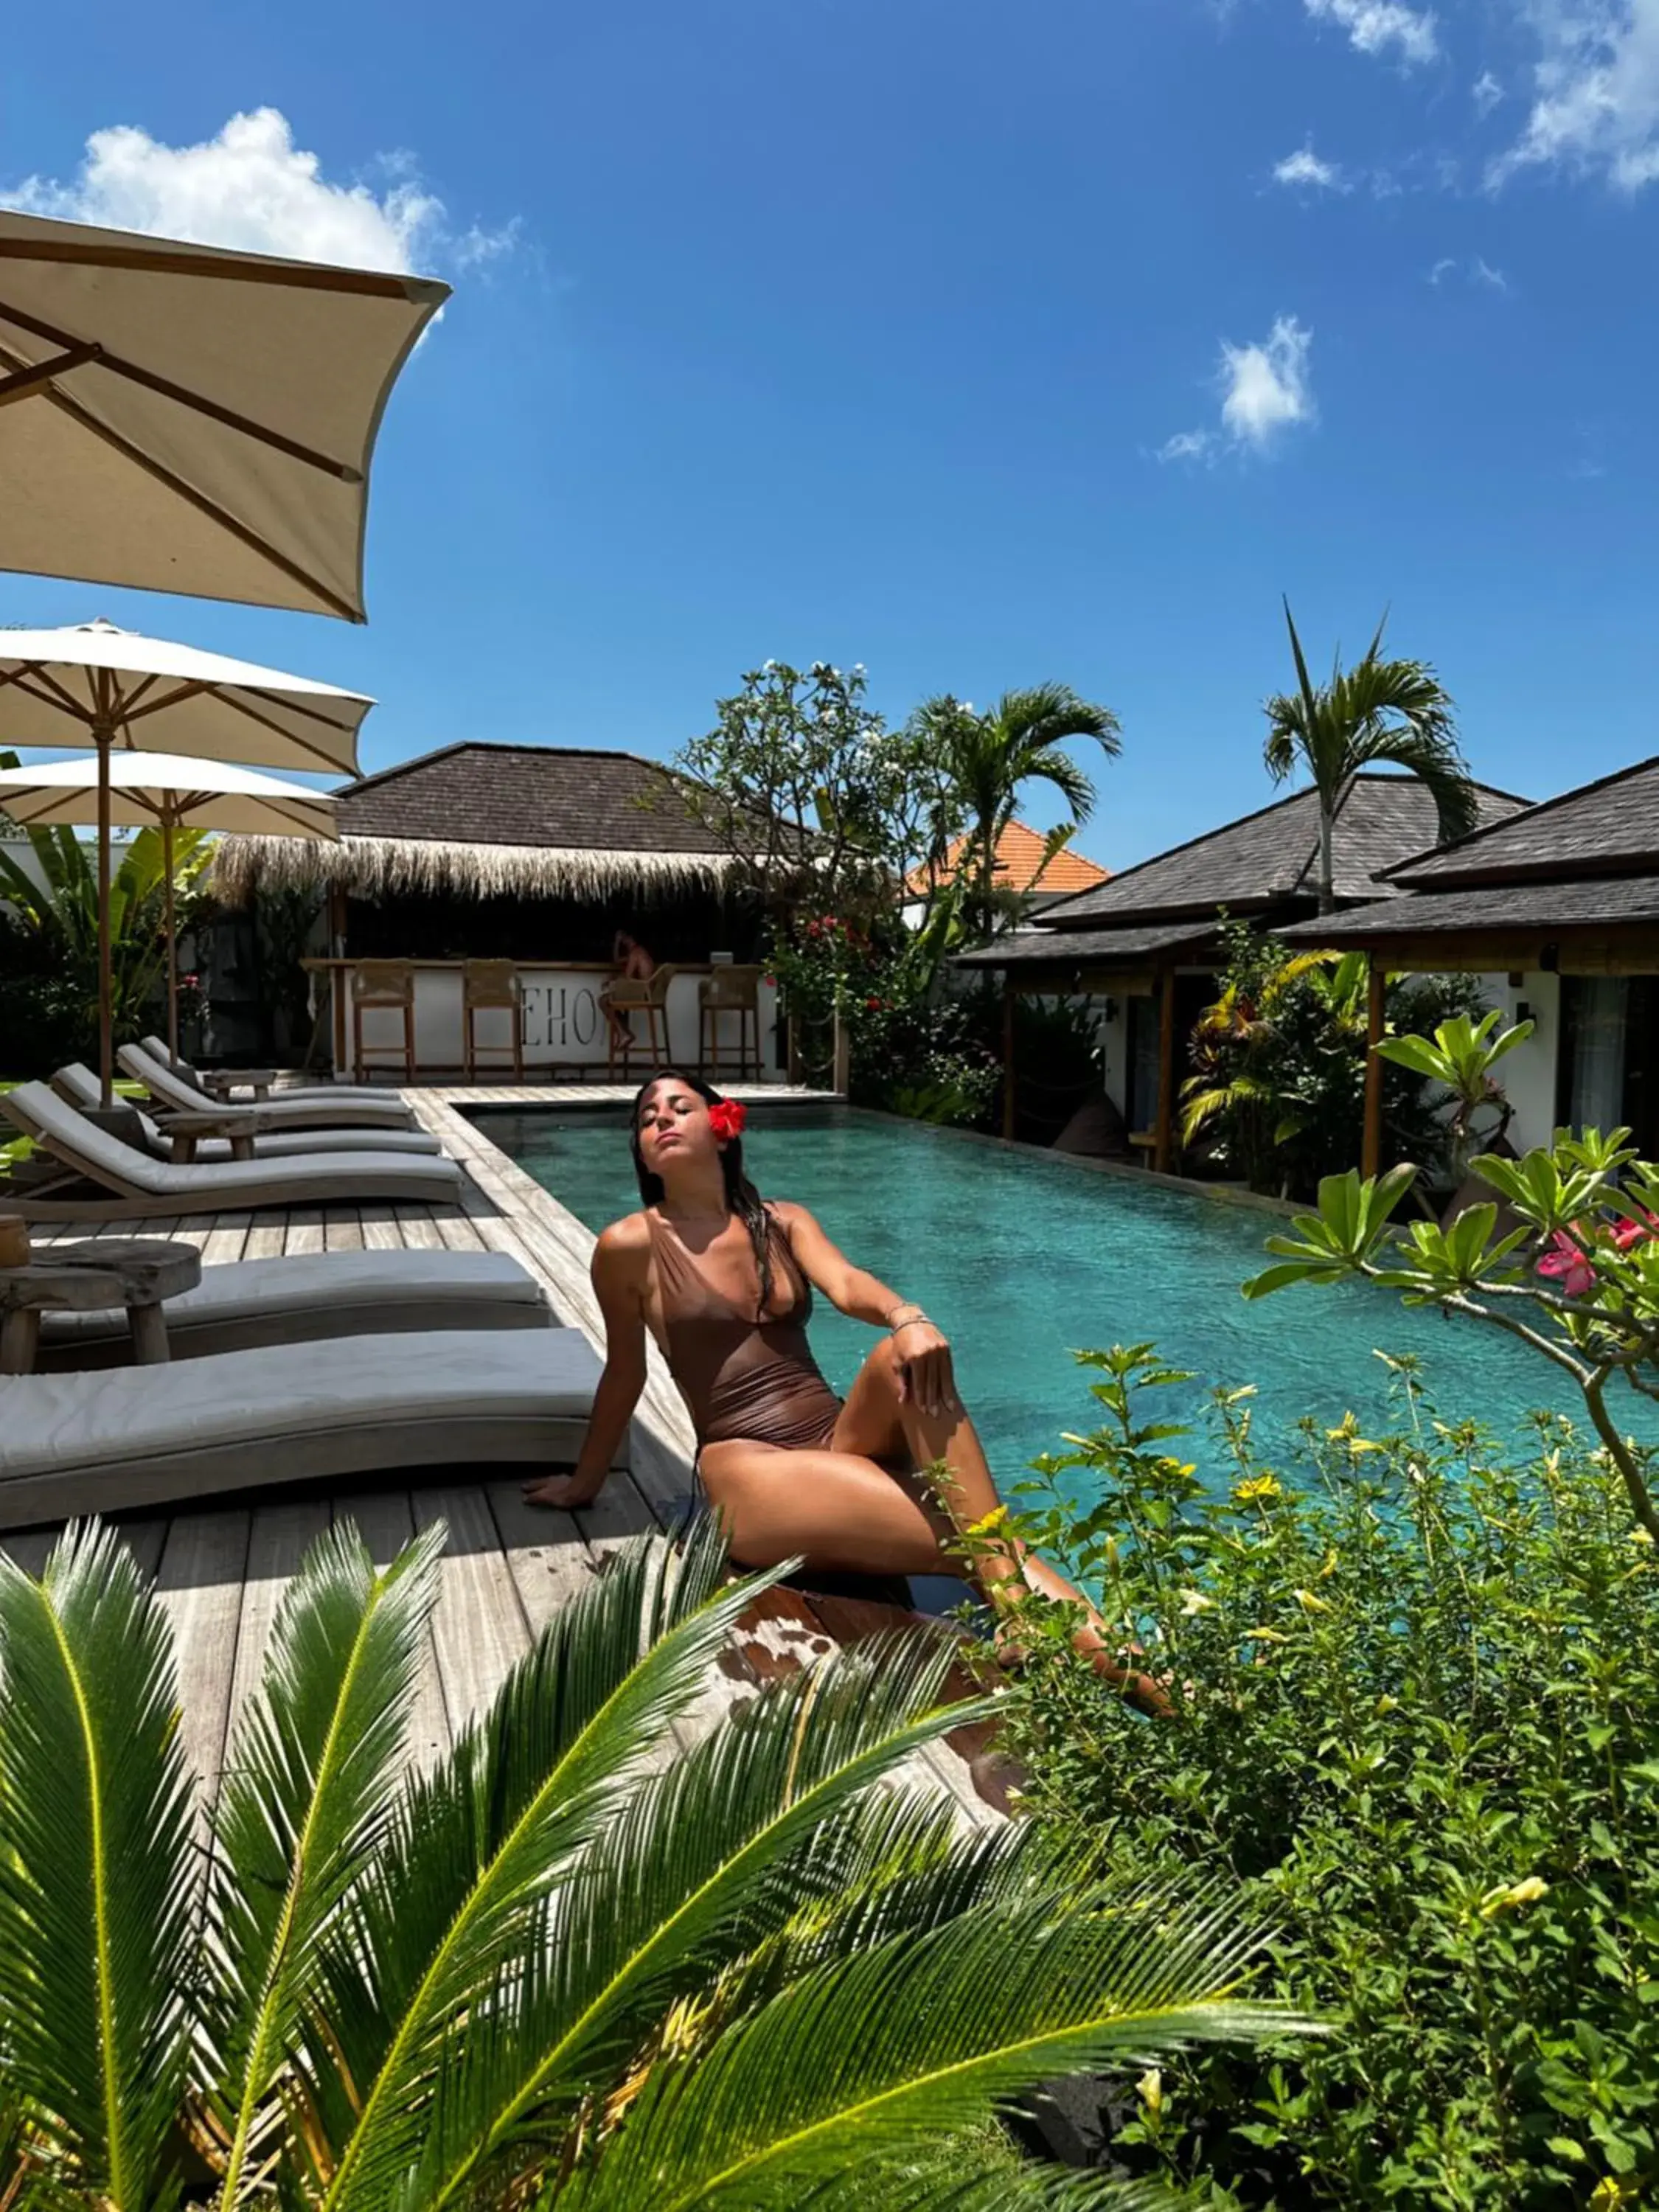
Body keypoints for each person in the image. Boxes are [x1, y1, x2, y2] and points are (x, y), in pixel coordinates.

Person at [523, 1068, 1170, 1715]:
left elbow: (848, 1282)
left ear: (722, 1130)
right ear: (641, 1150)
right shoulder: (629, 1246)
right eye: (646, 1118)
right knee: (981, 1544)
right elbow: (625, 1374)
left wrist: (907, 1316)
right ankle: (1169, 1698)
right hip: (747, 1466)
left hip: (835, 1439)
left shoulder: (780, 1222)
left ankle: (1104, 1662)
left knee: (901, 1358)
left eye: (679, 1107)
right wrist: (586, 1483)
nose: (660, 1119)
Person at [599, 931, 655, 1054]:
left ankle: (624, 1033)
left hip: (641, 992)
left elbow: (628, 977)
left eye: (624, 939)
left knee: (603, 1001)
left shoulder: (636, 953)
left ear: (629, 938)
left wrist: (613, 982)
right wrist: (617, 943)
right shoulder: (639, 952)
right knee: (615, 1003)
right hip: (645, 992)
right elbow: (617, 960)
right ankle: (625, 1033)